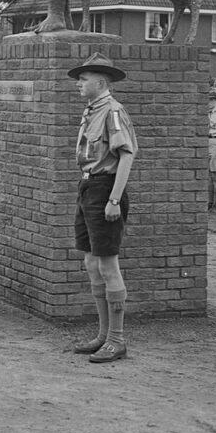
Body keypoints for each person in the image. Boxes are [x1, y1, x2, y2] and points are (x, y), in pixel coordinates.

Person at [67, 53, 137, 364]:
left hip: (105, 189)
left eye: (83, 79)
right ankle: (103, 334)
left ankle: (117, 340)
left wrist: (113, 200)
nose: (79, 84)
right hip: (88, 186)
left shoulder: (113, 112)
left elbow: (126, 156)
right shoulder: (91, 111)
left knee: (108, 265)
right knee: (91, 263)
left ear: (101, 82)